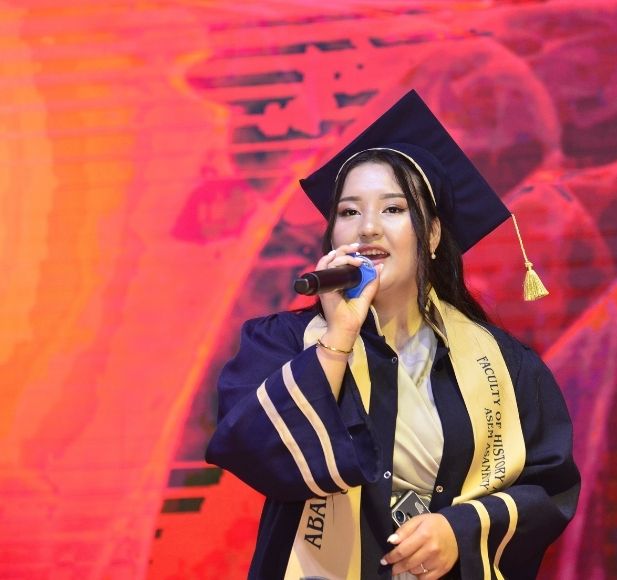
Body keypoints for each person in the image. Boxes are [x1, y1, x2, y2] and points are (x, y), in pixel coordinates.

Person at [206, 90, 580, 579]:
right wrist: (339, 335)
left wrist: (460, 530)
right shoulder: (282, 344)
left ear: (432, 235)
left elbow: (549, 486)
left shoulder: (506, 366)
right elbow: (254, 452)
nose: (367, 229)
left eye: (393, 209)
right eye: (348, 212)